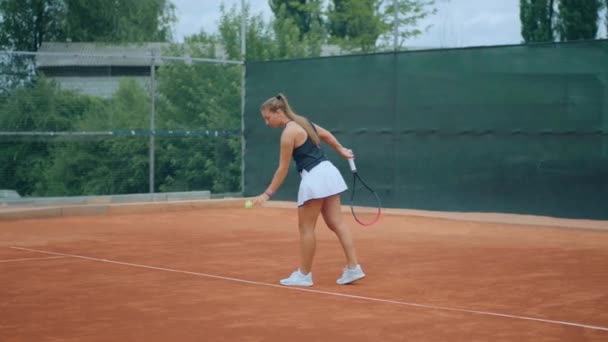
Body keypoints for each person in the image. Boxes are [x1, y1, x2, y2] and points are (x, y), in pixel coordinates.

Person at [252, 93, 365, 287]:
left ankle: (304, 275)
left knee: (306, 229)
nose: (266, 122)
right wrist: (342, 150)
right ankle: (354, 268)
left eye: (268, 118)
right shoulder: (304, 122)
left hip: (314, 177)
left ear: (278, 112)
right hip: (329, 172)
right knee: (337, 223)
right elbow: (326, 135)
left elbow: (283, 168)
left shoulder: (288, 133)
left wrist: (267, 194)